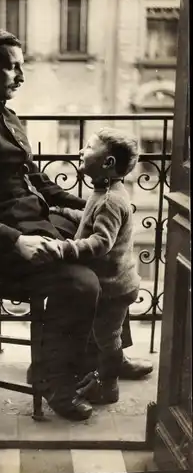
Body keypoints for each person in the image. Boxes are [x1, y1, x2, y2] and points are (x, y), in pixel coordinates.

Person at [0, 28, 151, 421]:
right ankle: (56, 382)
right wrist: (16, 242)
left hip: (34, 226)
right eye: (13, 67)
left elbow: (37, 182)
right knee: (81, 281)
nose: (21, 75)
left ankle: (107, 357)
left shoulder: (6, 115)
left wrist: (93, 206)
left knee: (110, 247)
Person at [52, 128, 142, 404]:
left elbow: (101, 241)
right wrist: (64, 211)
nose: (81, 150)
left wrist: (65, 248)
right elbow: (89, 218)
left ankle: (109, 385)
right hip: (118, 281)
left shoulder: (109, 200)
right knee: (105, 334)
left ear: (108, 162)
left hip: (112, 286)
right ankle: (114, 365)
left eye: (89, 147)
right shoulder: (107, 191)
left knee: (106, 337)